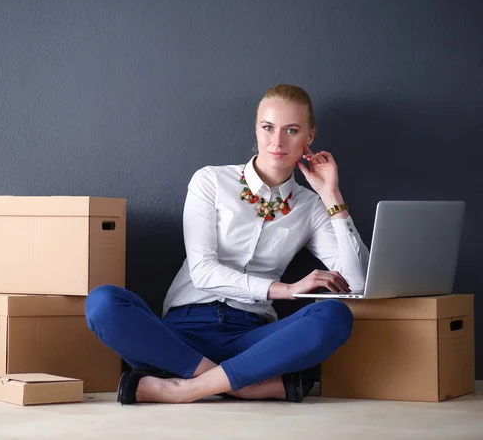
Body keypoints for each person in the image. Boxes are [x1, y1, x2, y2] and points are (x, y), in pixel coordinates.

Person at [86, 84, 369, 405]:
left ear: (310, 137)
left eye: (292, 130)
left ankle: (187, 388)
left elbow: (356, 283)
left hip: (252, 340)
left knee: (335, 316)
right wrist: (287, 290)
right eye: (268, 128)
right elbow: (204, 273)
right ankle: (242, 385)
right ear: (256, 129)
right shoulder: (211, 181)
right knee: (103, 302)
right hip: (180, 337)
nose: (277, 141)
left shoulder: (309, 205)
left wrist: (332, 195)